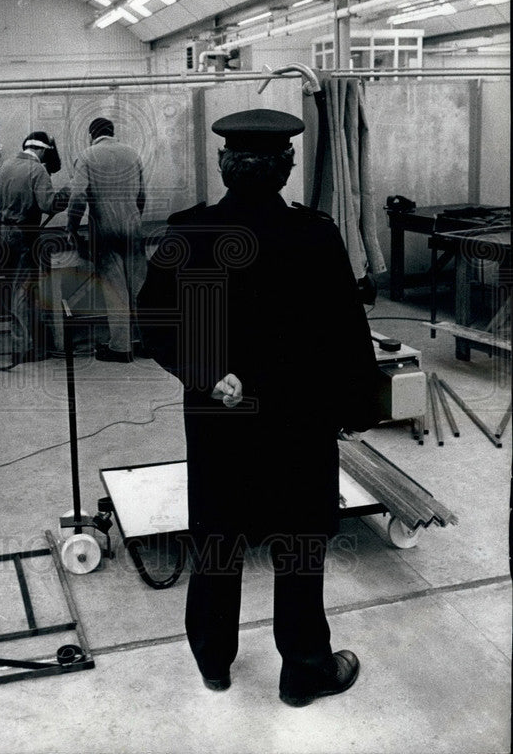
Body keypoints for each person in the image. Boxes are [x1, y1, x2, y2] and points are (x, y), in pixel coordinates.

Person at [137, 108, 380, 706]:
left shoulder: (190, 232)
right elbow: (347, 333)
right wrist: (356, 407)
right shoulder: (315, 234)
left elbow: (153, 320)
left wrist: (204, 373)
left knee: (218, 535)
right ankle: (303, 671)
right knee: (298, 541)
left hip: (221, 417)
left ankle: (213, 662)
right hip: (299, 420)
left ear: (224, 165)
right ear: (287, 168)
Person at [66, 117, 147, 363]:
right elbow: (142, 195)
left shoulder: (87, 156)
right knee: (139, 288)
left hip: (105, 229)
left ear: (92, 135)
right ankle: (149, 343)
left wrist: (71, 226)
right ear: (112, 132)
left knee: (116, 290)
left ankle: (121, 348)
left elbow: (78, 196)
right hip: (133, 228)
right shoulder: (133, 154)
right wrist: (133, 218)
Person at [0, 130, 68, 368]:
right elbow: (49, 204)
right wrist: (69, 191)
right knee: (24, 292)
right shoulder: (37, 170)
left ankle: (24, 343)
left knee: (17, 288)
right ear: (41, 150)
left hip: (5, 233)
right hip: (25, 235)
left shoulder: (6, 166)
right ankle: (24, 348)